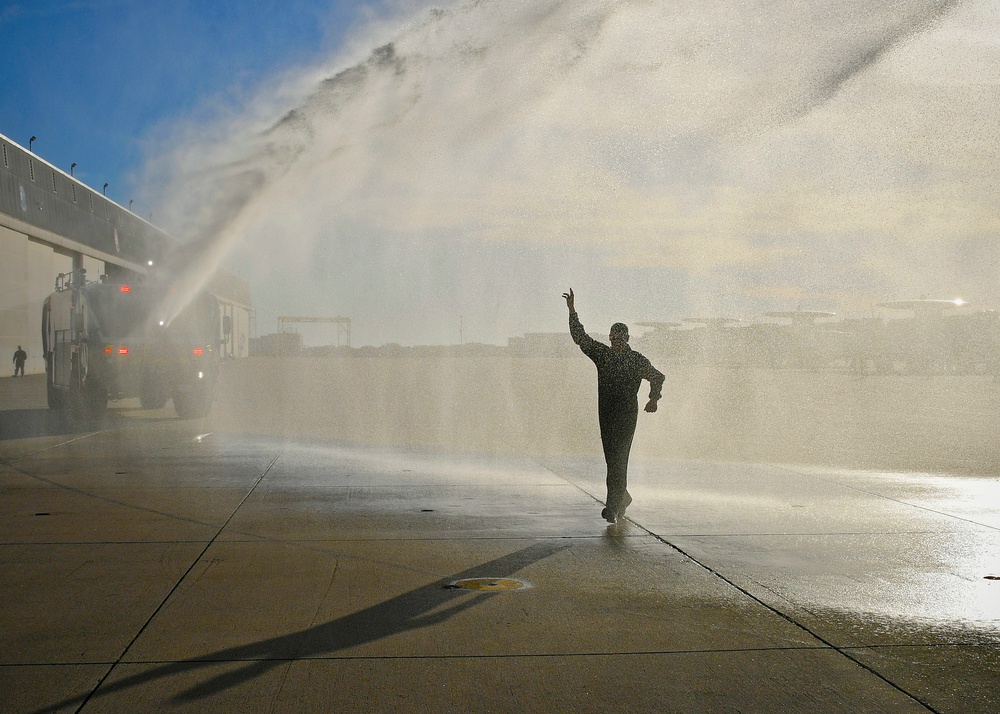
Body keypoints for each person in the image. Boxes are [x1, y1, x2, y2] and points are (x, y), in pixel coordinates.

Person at [563, 289, 664, 524]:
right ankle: (623, 498)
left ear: (627, 339)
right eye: (614, 338)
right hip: (606, 415)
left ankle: (612, 507)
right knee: (613, 461)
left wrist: (653, 398)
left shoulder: (636, 360)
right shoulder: (603, 355)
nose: (617, 342)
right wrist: (572, 311)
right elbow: (581, 338)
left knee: (619, 460)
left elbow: (658, 376)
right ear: (610, 338)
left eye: (621, 338)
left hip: (627, 416)